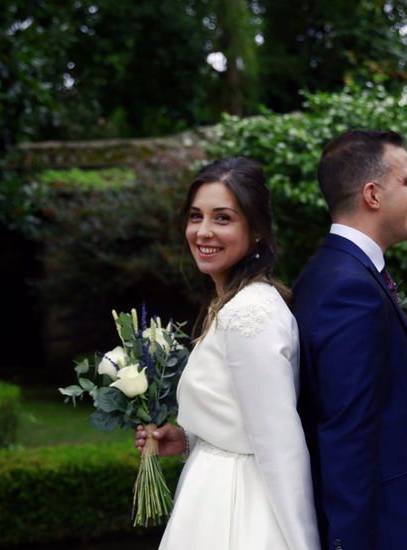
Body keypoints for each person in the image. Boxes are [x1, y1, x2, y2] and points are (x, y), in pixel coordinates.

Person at [134, 157, 320, 550]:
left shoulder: (250, 312)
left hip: (241, 505)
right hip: (211, 490)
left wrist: (302, 542)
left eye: (222, 218)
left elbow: (278, 441)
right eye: (196, 216)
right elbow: (239, 419)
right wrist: (186, 439)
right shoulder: (231, 304)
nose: (203, 231)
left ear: (255, 232)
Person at [291, 130, 407, 550]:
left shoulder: (332, 271)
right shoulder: (349, 290)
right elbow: (346, 438)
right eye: (406, 181)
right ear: (372, 194)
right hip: (393, 527)